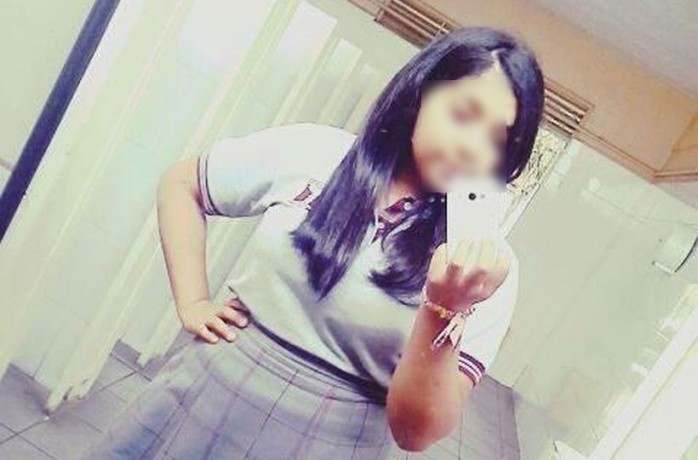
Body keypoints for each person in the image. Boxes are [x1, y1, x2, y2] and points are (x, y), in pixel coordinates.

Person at [79, 26, 544, 459]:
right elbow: (182, 184)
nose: (473, 147)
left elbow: (415, 433)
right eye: (462, 115)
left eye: (498, 140)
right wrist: (193, 302)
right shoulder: (316, 152)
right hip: (206, 386)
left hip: (335, 440)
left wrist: (447, 307)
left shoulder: (490, 268)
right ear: (421, 93)